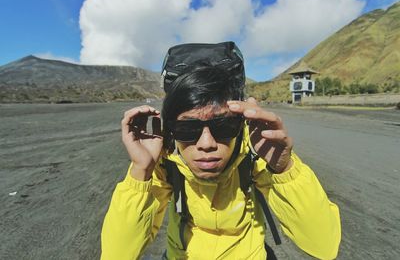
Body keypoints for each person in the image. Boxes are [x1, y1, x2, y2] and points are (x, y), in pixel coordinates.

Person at [101, 46, 341, 260]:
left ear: (240, 124)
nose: (207, 143)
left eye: (223, 126)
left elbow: (324, 246)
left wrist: (285, 169)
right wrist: (140, 171)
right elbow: (117, 254)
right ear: (171, 130)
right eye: (187, 128)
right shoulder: (164, 162)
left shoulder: (256, 155)